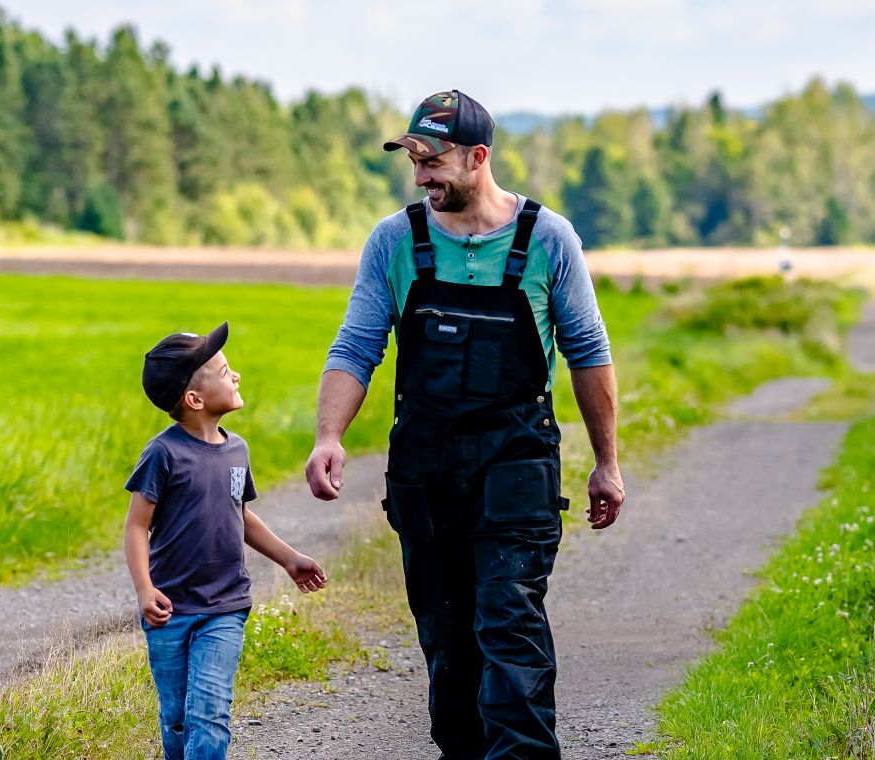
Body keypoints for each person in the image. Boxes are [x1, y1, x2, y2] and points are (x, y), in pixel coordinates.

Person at [306, 90, 627, 759]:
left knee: (509, 626)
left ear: (479, 157)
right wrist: (328, 436)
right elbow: (356, 347)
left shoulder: (548, 239)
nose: (420, 175)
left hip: (517, 463)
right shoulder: (396, 241)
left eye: (432, 159)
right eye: (413, 161)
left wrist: (607, 461)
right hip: (426, 470)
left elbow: (588, 352)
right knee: (448, 645)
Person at [124, 322, 329, 760]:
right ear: (193, 400)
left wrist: (289, 558)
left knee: (210, 714)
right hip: (170, 611)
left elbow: (240, 515)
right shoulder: (163, 454)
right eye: (223, 371)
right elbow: (137, 526)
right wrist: (144, 589)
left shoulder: (237, 450)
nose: (235, 376)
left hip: (225, 606)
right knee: (177, 717)